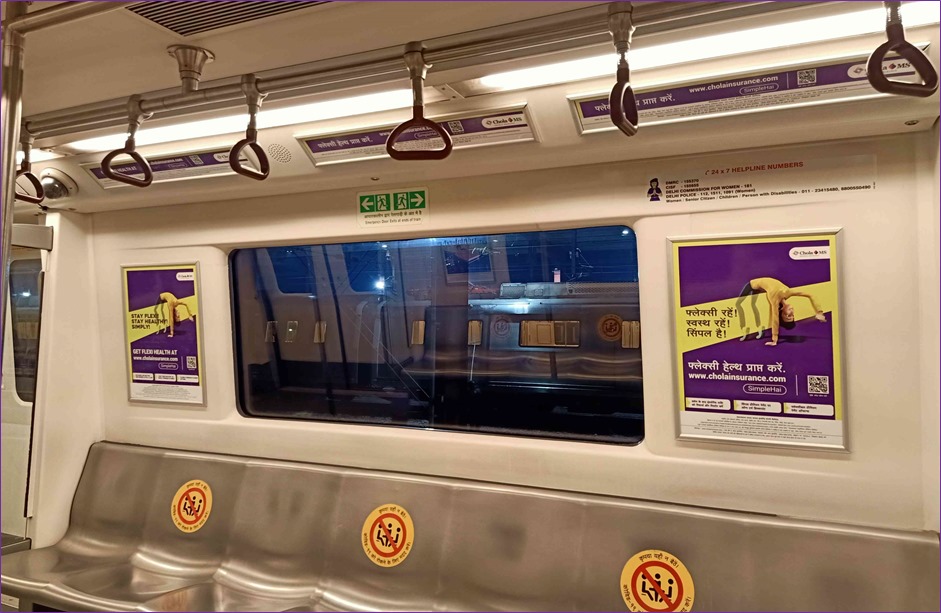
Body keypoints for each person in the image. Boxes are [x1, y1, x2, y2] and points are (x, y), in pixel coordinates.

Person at [735, 277, 826, 346]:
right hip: (755, 285)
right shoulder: (788, 293)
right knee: (744, 304)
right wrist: (819, 312)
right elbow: (811, 295)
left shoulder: (774, 299)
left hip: (754, 286)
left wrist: (775, 339)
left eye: (788, 316)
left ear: (782, 312)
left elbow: (775, 319)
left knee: (747, 305)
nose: (791, 313)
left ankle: (752, 328)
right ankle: (751, 328)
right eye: (792, 316)